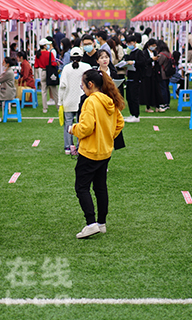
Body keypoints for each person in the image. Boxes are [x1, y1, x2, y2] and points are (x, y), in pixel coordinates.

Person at [68, 69, 124, 239]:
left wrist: (73, 129)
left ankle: (91, 223)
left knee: (81, 187)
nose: (83, 88)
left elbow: (86, 128)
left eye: (83, 85)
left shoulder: (90, 101)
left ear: (90, 84)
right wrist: (107, 136)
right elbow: (120, 123)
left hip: (90, 152)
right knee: (100, 187)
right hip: (105, 152)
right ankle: (101, 223)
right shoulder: (109, 100)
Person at [59, 47, 91, 155]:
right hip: (83, 101)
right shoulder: (87, 67)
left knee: (68, 125)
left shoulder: (66, 68)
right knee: (80, 124)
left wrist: (60, 102)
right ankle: (79, 146)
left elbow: (62, 86)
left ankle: (68, 147)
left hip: (68, 102)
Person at [123, 34, 145, 123]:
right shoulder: (130, 53)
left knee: (134, 97)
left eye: (131, 43)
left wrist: (134, 62)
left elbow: (143, 63)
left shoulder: (139, 52)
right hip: (130, 77)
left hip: (136, 78)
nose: (129, 45)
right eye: (128, 43)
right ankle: (132, 114)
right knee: (129, 97)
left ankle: (136, 115)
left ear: (135, 42)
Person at [34, 38, 59, 114]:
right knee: (54, 91)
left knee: (44, 91)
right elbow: (53, 63)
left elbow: (36, 65)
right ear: (45, 46)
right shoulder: (49, 54)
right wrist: (57, 63)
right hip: (50, 72)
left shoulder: (38, 54)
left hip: (43, 72)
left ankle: (45, 108)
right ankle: (58, 107)